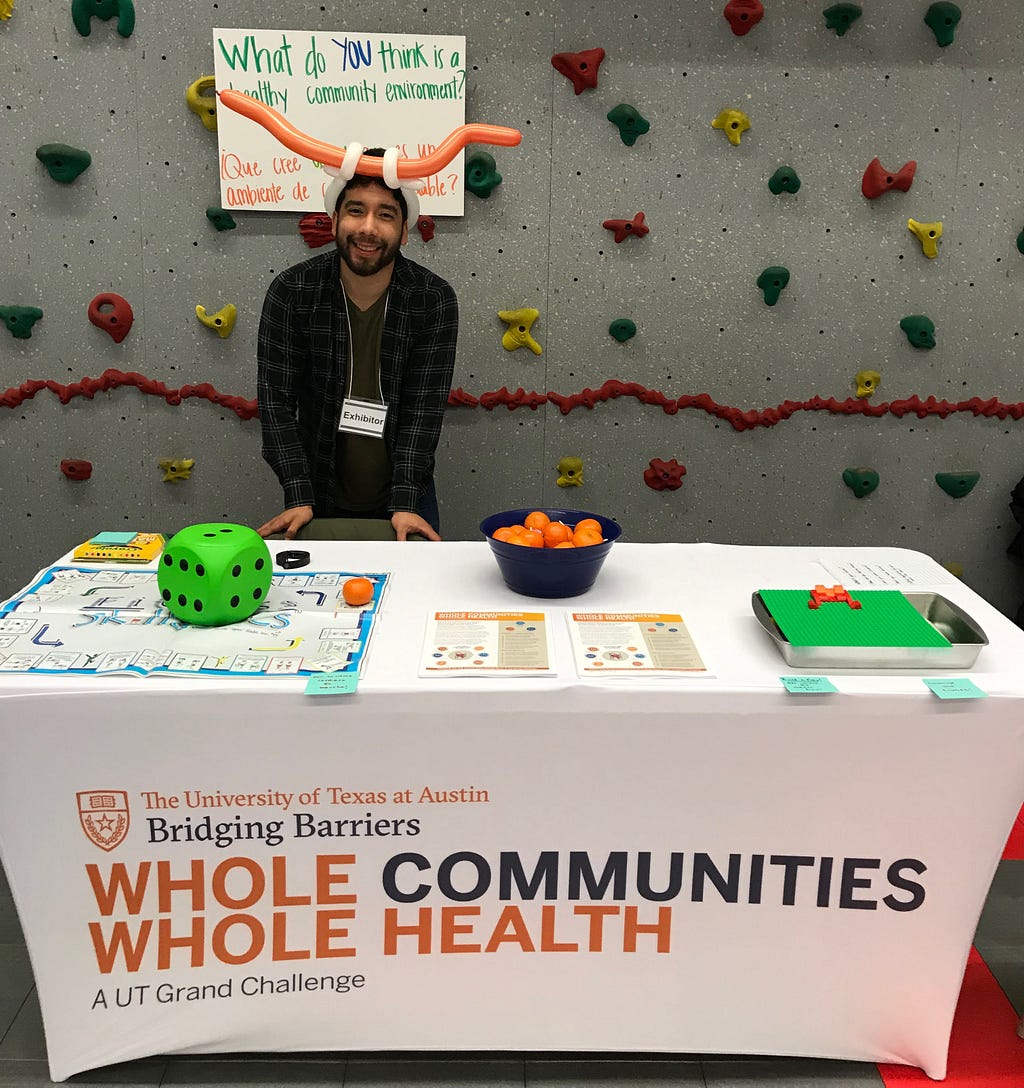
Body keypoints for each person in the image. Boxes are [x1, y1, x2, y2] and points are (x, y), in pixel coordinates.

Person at [256, 147, 458, 541]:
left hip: (408, 496)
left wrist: (404, 503)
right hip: (315, 494)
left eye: (385, 214)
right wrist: (297, 492)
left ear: (404, 230)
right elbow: (276, 402)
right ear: (333, 220)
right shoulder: (292, 291)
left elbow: (424, 411)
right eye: (355, 210)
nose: (368, 227)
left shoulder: (432, 298)